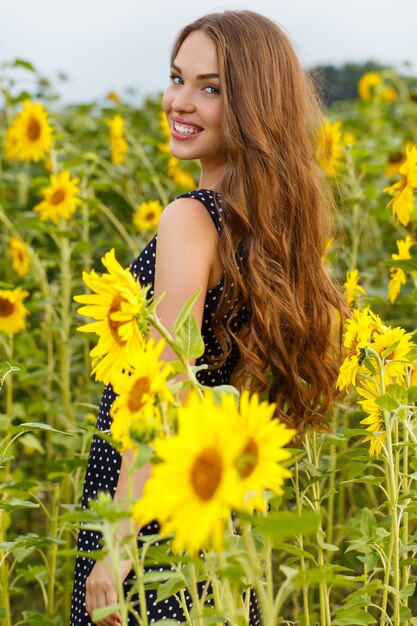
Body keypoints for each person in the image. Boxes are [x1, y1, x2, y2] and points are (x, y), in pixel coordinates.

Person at [69, 10, 346, 626]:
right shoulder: (264, 229)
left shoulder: (189, 218)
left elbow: (166, 386)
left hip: (150, 506)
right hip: (211, 513)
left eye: (211, 88)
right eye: (176, 78)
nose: (180, 101)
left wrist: (115, 547)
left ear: (253, 104)